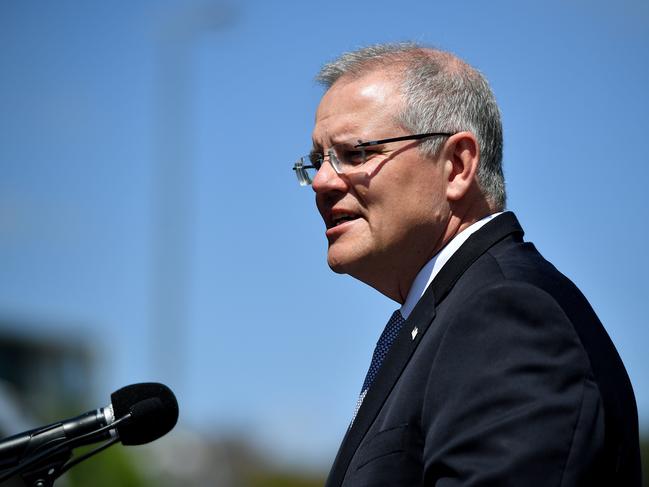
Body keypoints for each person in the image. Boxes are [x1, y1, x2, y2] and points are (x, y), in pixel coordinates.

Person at [292, 43, 641, 486]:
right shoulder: (451, 316)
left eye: (355, 154)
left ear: (457, 165)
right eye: (317, 161)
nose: (322, 182)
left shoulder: (506, 316)